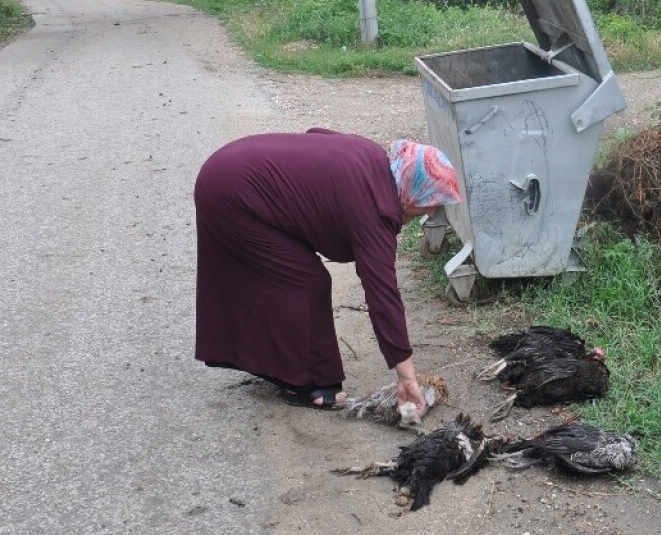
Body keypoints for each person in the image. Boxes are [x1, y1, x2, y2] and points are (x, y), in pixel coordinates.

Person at [193, 128, 461, 412]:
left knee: (282, 273)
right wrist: (406, 375)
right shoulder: (371, 210)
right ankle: (304, 383)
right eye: (429, 201)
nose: (431, 212)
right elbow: (382, 295)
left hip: (231, 167)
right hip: (231, 192)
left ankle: (276, 363)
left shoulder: (374, 159)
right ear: (412, 189)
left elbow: (318, 134)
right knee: (305, 283)